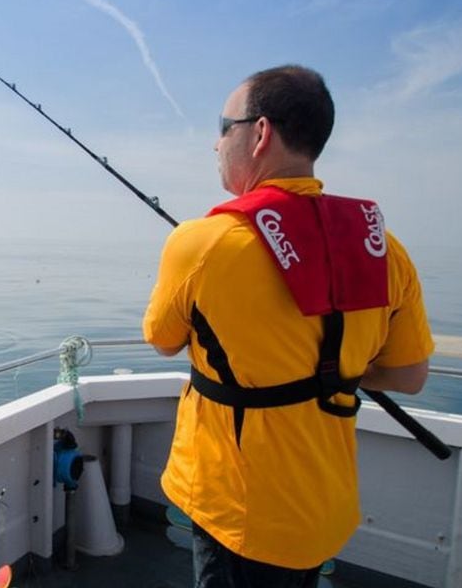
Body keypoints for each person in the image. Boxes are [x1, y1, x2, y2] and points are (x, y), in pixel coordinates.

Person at [142, 65, 434, 587]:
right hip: (325, 504)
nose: (215, 144)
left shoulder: (202, 243)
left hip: (238, 510)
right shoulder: (385, 250)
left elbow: (163, 342)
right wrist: (335, 369)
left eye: (223, 126)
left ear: (260, 134)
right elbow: (410, 375)